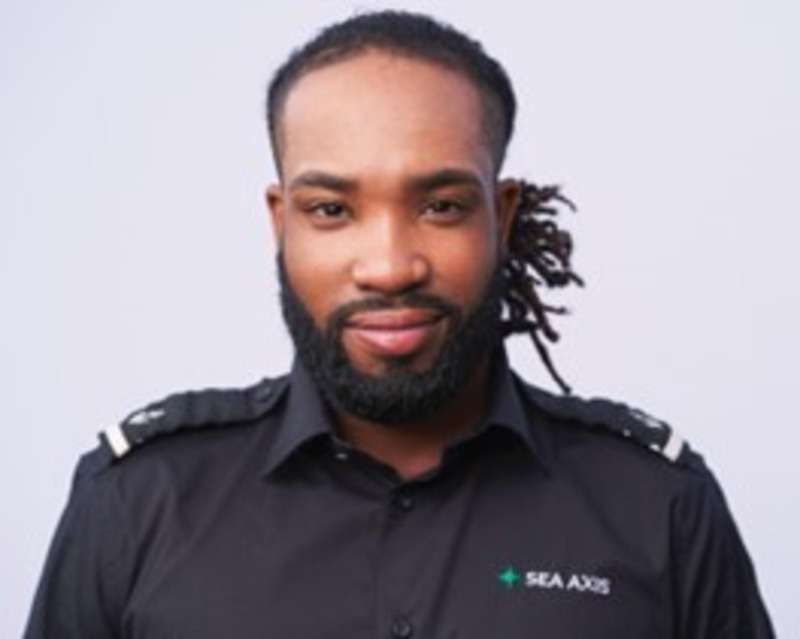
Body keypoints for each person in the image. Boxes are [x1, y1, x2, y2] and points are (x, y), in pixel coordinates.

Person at [24, 10, 775, 638]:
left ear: (501, 215)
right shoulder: (138, 503)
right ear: (282, 223)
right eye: (331, 210)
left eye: (441, 206)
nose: (388, 266)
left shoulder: (659, 507)